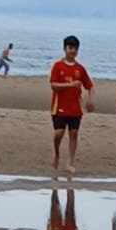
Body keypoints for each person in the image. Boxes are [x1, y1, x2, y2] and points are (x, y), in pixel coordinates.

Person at [49, 36, 94, 174]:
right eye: (70, 48)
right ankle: (57, 154)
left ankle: (70, 162)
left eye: (75, 48)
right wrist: (70, 85)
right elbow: (53, 85)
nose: (72, 51)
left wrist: (90, 99)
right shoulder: (58, 66)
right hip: (59, 106)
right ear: (64, 49)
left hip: (75, 107)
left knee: (73, 133)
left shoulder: (80, 69)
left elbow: (90, 86)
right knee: (59, 133)